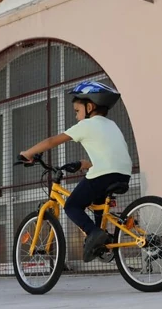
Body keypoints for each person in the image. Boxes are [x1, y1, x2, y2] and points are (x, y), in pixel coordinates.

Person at [19, 80, 133, 262]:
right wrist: (85, 164)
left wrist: (28, 153)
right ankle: (100, 239)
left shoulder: (86, 125)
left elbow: (51, 141)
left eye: (77, 111)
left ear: (90, 107)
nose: (76, 117)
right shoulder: (112, 125)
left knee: (72, 205)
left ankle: (94, 233)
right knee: (97, 204)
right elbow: (109, 154)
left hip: (103, 175)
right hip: (123, 174)